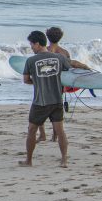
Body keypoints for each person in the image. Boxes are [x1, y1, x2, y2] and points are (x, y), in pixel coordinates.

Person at [19, 30, 71, 167]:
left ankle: (29, 161)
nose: (31, 47)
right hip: (57, 100)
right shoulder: (59, 57)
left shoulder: (31, 61)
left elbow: (26, 80)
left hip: (40, 102)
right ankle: (64, 160)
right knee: (60, 131)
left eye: (31, 44)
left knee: (31, 130)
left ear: (37, 43)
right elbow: (69, 71)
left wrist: (37, 81)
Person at [43, 26, 92, 142]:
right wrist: (86, 67)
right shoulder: (64, 52)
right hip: (58, 85)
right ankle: (54, 136)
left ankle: (42, 133)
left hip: (44, 84)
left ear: (47, 36)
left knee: (40, 108)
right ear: (60, 37)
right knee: (56, 112)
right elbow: (69, 68)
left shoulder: (43, 50)